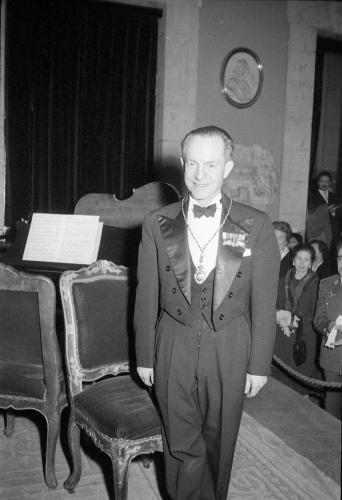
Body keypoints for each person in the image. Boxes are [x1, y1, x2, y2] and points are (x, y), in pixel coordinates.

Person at [134, 125, 280, 500]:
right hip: (173, 344)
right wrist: (145, 355)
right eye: (193, 163)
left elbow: (264, 302)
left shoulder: (256, 225)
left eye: (211, 165)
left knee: (219, 441)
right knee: (181, 445)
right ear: (182, 163)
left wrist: (259, 364)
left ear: (228, 167)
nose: (200, 175)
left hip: (230, 347)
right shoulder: (157, 222)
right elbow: (146, 294)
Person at [273, 244, 320, 394]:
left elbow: (316, 312)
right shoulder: (281, 281)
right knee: (279, 376)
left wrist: (294, 320)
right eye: (299, 258)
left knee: (298, 376)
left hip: (303, 335)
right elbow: (272, 305)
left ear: (311, 262)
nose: (302, 263)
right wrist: (280, 318)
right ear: (293, 260)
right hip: (281, 333)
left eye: (306, 259)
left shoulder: (317, 283)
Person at [314, 240, 342, 419]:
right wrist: (328, 328)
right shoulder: (326, 284)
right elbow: (318, 318)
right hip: (332, 359)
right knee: (331, 411)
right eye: (340, 258)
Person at [306, 171, 342, 250]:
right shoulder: (311, 197)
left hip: (334, 233)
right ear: (318, 183)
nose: (324, 183)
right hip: (319, 233)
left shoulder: (336, 197)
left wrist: (334, 213)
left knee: (333, 258)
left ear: (330, 183)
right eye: (322, 181)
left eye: (327, 181)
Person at [272, 221, 293, 308]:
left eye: (280, 238)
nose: (275, 241)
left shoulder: (293, 260)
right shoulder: (263, 257)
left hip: (283, 308)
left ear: (287, 241)